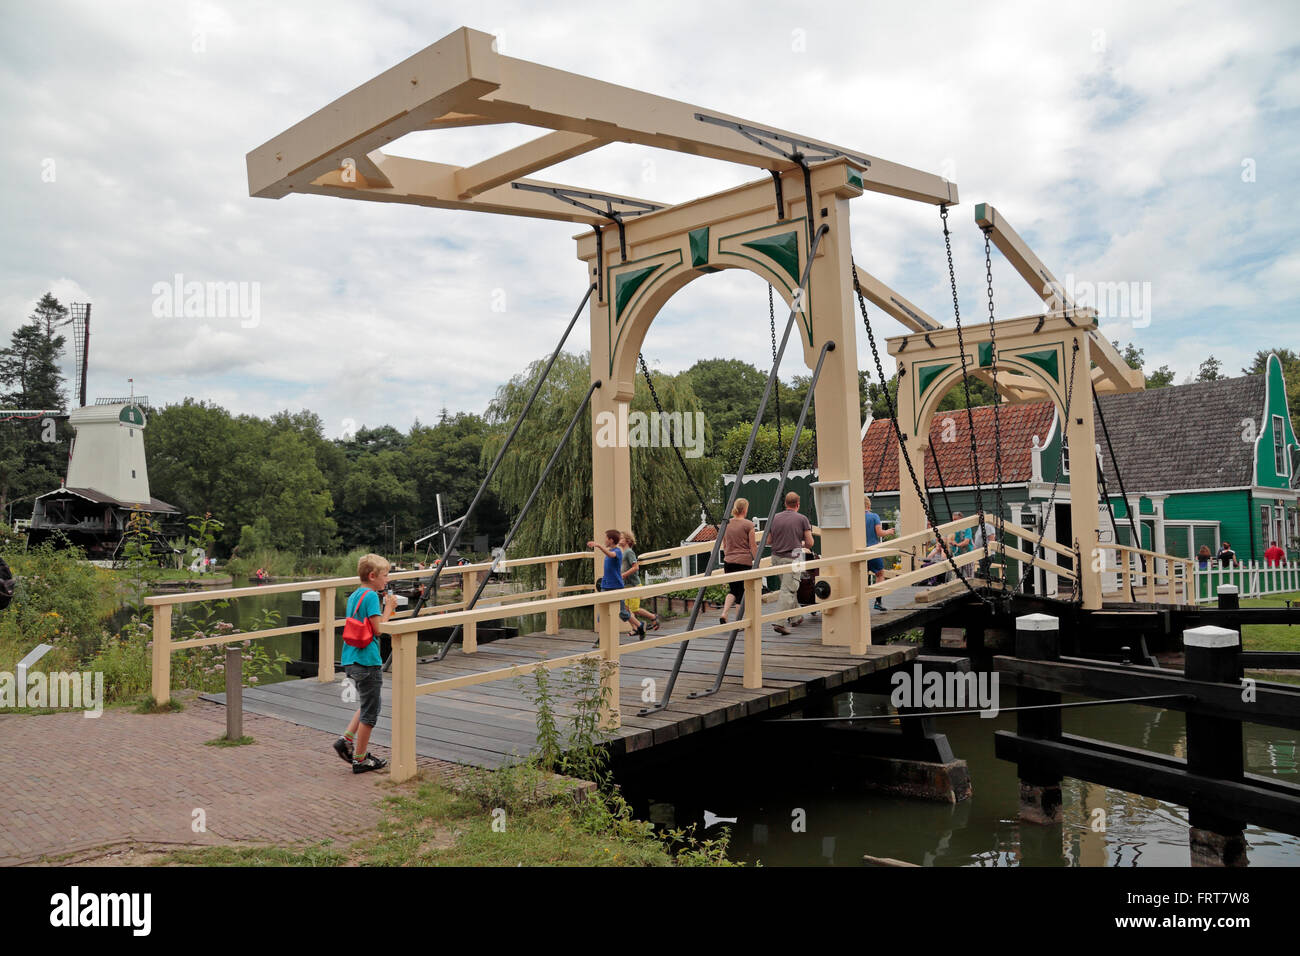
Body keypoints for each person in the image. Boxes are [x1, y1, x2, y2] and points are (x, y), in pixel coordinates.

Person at [333, 553, 397, 773]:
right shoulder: (371, 596)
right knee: (372, 710)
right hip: (367, 660)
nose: (387, 579)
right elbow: (379, 629)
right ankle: (360, 759)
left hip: (351, 657)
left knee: (366, 703)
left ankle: (346, 740)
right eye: (385, 575)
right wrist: (389, 608)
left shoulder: (355, 595)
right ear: (372, 576)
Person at [768, 492, 814, 635]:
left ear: (786, 504)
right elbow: (810, 542)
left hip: (776, 558)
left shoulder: (774, 518)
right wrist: (800, 543)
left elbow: (769, 541)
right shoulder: (802, 519)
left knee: (787, 587)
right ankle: (779, 622)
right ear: (798, 504)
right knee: (788, 590)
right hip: (794, 557)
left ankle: (796, 617)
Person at [589, 529, 643, 644]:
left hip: (616, 586)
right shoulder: (610, 551)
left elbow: (610, 554)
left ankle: (639, 625)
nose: (604, 541)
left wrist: (598, 546)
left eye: (606, 539)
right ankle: (601, 639)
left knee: (622, 613)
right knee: (602, 614)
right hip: (605, 586)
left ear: (611, 540)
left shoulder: (617, 552)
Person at [720, 498, 758, 626]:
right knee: (741, 592)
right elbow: (753, 546)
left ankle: (724, 613)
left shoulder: (726, 524)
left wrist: (729, 556)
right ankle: (738, 622)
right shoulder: (748, 525)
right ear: (745, 509)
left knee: (733, 590)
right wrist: (757, 560)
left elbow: (724, 544)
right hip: (743, 562)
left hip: (729, 562)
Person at [620, 530, 659, 632]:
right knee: (626, 610)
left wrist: (623, 575)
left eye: (621, 538)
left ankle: (653, 617)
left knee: (635, 610)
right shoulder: (623, 553)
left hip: (633, 585)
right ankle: (636, 628)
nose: (619, 539)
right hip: (626, 586)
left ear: (628, 540)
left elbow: (636, 567)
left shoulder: (629, 552)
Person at [864, 495, 896, 612]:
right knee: (880, 574)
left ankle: (860, 602)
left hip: (859, 551)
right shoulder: (874, 516)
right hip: (873, 550)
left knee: (862, 575)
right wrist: (889, 531)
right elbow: (879, 533)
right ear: (868, 505)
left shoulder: (855, 517)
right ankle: (878, 601)